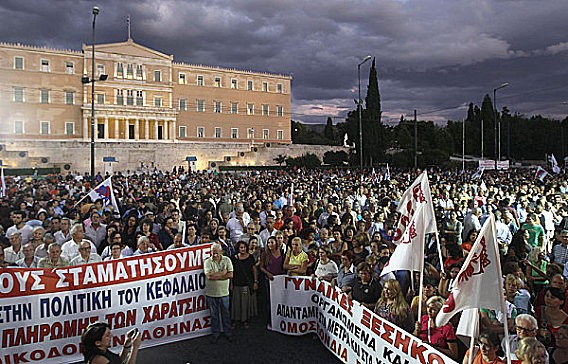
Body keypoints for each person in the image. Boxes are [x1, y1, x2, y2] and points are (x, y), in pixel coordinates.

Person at [204, 243, 233, 341]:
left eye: (217, 253)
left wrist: (215, 275)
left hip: (224, 293)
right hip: (211, 293)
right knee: (214, 315)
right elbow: (209, 276)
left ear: (221, 252)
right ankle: (215, 334)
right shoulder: (207, 262)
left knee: (226, 314)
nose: (215, 255)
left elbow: (231, 275)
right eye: (213, 253)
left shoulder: (227, 260)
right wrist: (223, 273)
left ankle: (228, 333)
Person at [230, 241, 258, 329]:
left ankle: (244, 320)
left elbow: (254, 270)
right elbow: (231, 272)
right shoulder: (233, 258)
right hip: (236, 284)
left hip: (246, 284)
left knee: (245, 303)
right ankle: (235, 320)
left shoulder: (250, 257)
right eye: (241, 247)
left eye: (244, 247)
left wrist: (255, 282)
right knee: (236, 303)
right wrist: (230, 284)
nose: (243, 249)